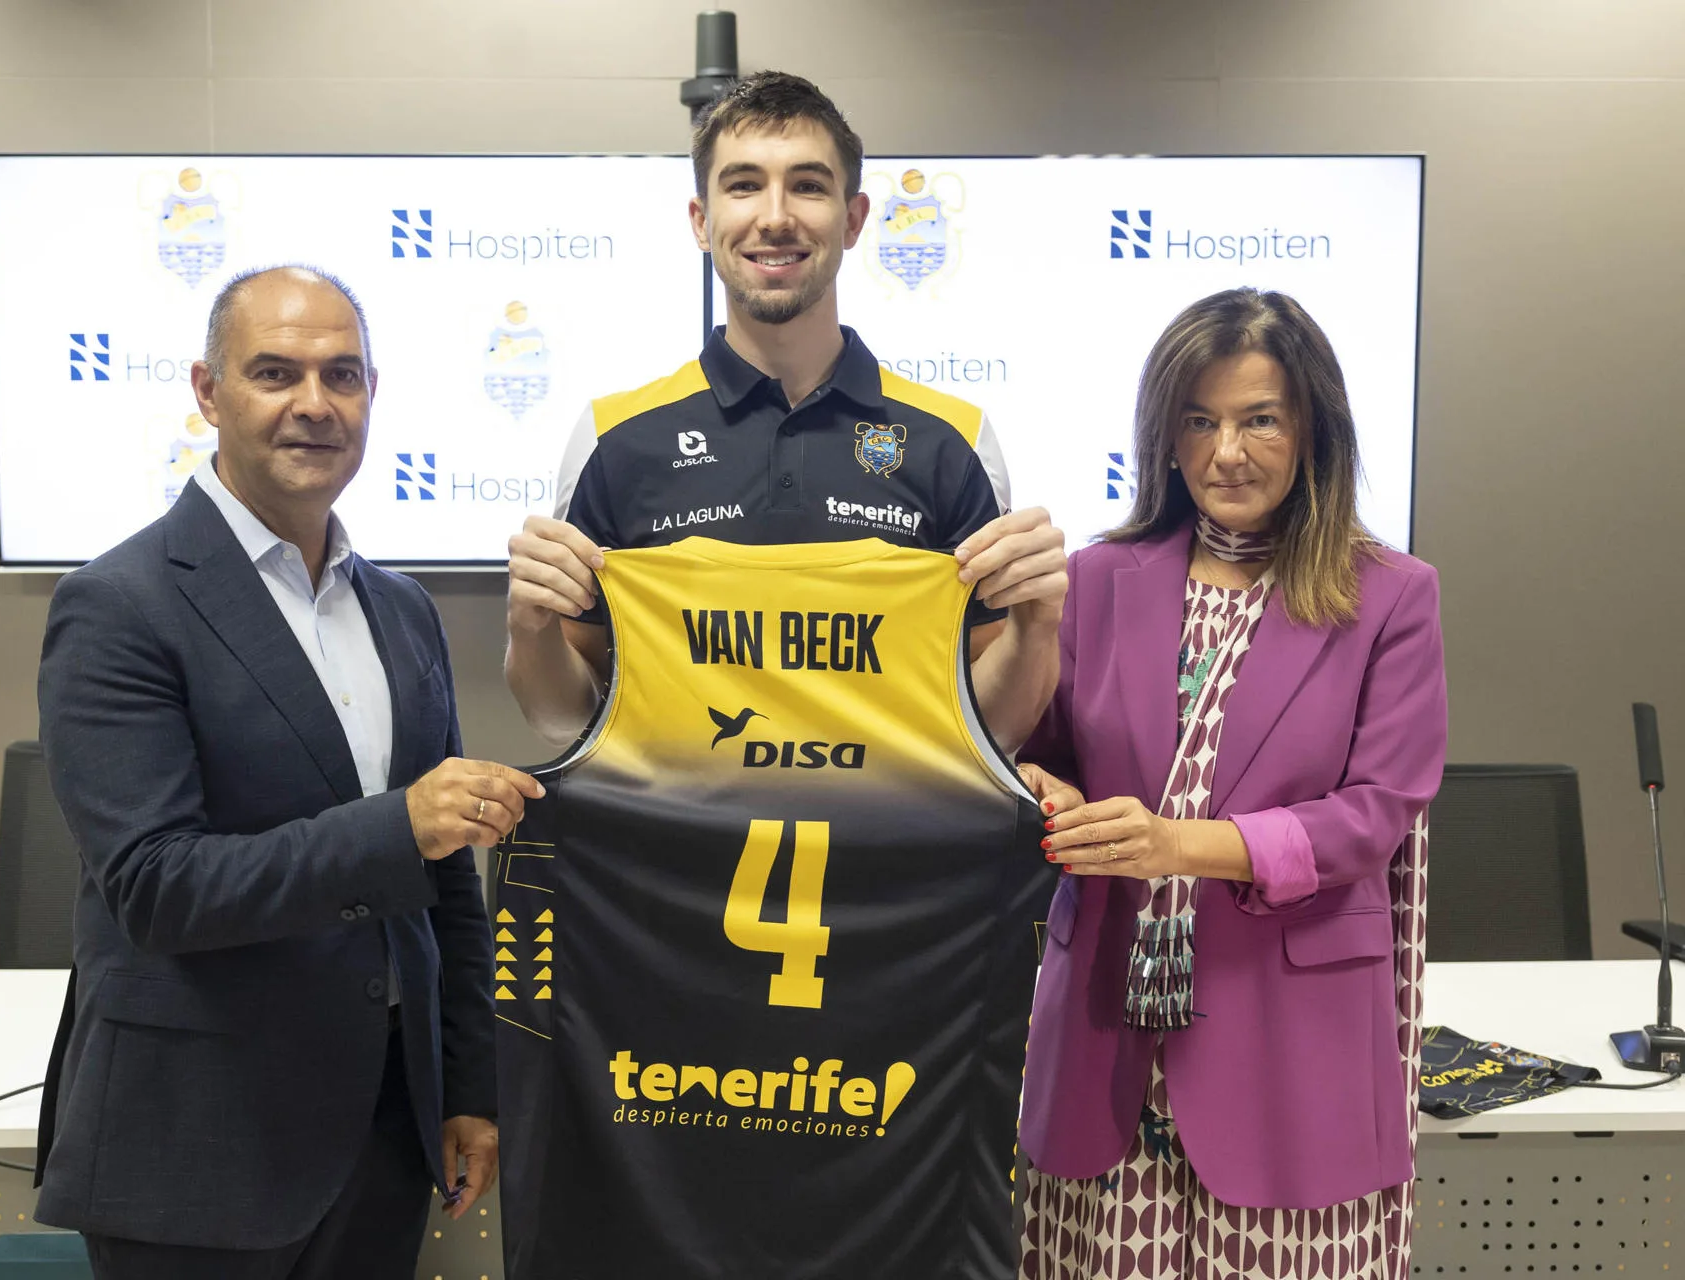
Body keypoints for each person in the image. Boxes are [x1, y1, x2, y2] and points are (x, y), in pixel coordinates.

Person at [33, 265, 542, 1279]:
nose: (315, 403)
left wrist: (467, 1085)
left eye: (341, 374)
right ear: (207, 391)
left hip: (385, 1134)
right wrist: (398, 824)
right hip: (197, 1148)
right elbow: (155, 886)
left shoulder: (402, 611)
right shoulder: (119, 604)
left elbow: (445, 889)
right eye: (275, 372)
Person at [1013, 288, 1447, 1280]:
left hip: (1290, 1051)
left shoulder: (1391, 596)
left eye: (1259, 418)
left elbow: (1369, 820)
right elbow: (1042, 753)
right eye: (1199, 421)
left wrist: (1177, 844)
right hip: (1104, 1043)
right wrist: (1045, 791)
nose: (1226, 452)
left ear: (1312, 430)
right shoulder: (1098, 579)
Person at [504, 71, 1067, 747]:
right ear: (702, 221)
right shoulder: (617, 438)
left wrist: (1038, 628)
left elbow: (994, 731)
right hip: (672, 853)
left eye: (808, 184)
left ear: (854, 219)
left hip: (887, 851)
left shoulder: (953, 440)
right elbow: (565, 716)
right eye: (743, 185)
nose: (775, 216)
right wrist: (527, 631)